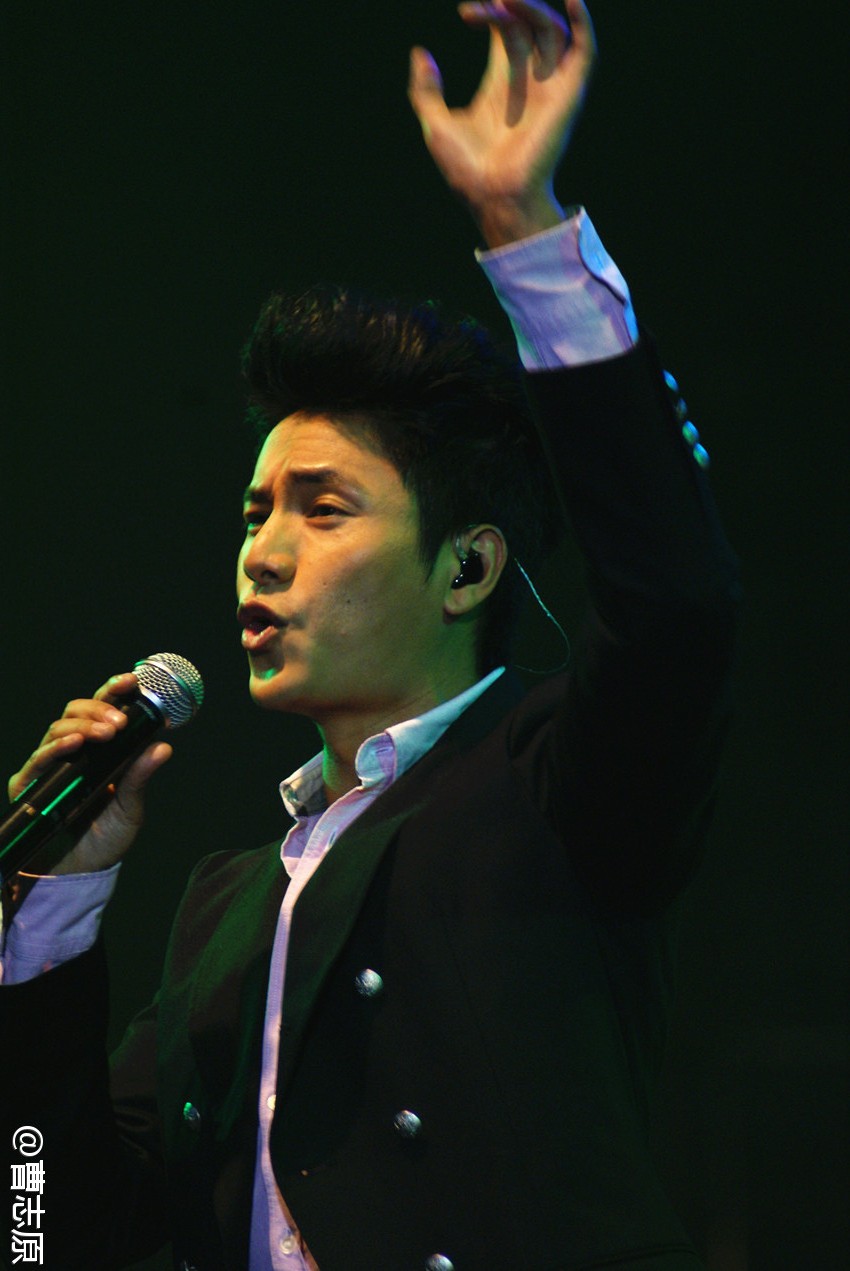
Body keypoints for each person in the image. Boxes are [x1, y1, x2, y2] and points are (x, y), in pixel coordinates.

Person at [0, 2, 740, 1268]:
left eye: (322, 507)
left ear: (466, 566)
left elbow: (675, 598)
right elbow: (37, 1233)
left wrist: (525, 232)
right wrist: (48, 913)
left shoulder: (551, 786)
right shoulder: (224, 905)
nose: (262, 551)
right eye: (254, 512)